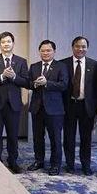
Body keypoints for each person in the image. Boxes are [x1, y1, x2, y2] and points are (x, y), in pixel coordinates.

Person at [0, 32, 29, 174]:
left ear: (13, 43)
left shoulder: (21, 61)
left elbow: (26, 82)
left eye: (9, 41)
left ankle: (13, 160)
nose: (6, 44)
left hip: (14, 104)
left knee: (13, 134)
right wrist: (1, 76)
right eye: (3, 42)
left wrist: (14, 76)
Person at [27, 40, 68, 176]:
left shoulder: (61, 66)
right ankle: (39, 160)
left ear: (54, 52)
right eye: (43, 50)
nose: (45, 53)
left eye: (48, 50)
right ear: (39, 52)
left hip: (55, 109)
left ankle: (55, 164)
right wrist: (35, 84)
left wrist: (47, 83)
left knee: (55, 138)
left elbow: (64, 85)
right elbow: (28, 83)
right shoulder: (34, 66)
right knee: (38, 137)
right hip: (37, 108)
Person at [61, 36, 97, 176]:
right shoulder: (63, 64)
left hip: (86, 106)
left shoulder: (94, 65)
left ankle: (85, 164)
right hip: (68, 105)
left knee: (86, 138)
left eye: (83, 47)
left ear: (87, 48)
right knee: (68, 137)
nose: (80, 49)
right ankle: (70, 164)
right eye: (78, 46)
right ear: (72, 47)